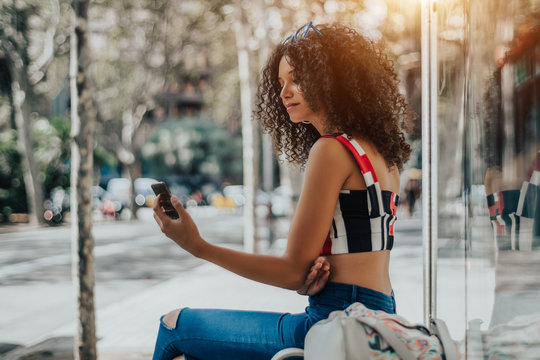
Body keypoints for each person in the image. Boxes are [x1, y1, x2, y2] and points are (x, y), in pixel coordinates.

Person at [152, 22, 415, 360]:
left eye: (296, 79)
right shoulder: (379, 155)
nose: (284, 92)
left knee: (175, 326)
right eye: (281, 83)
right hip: (377, 316)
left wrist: (197, 246)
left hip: (332, 325)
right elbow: (350, 252)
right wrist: (313, 278)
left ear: (330, 79)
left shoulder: (330, 151)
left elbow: (292, 271)